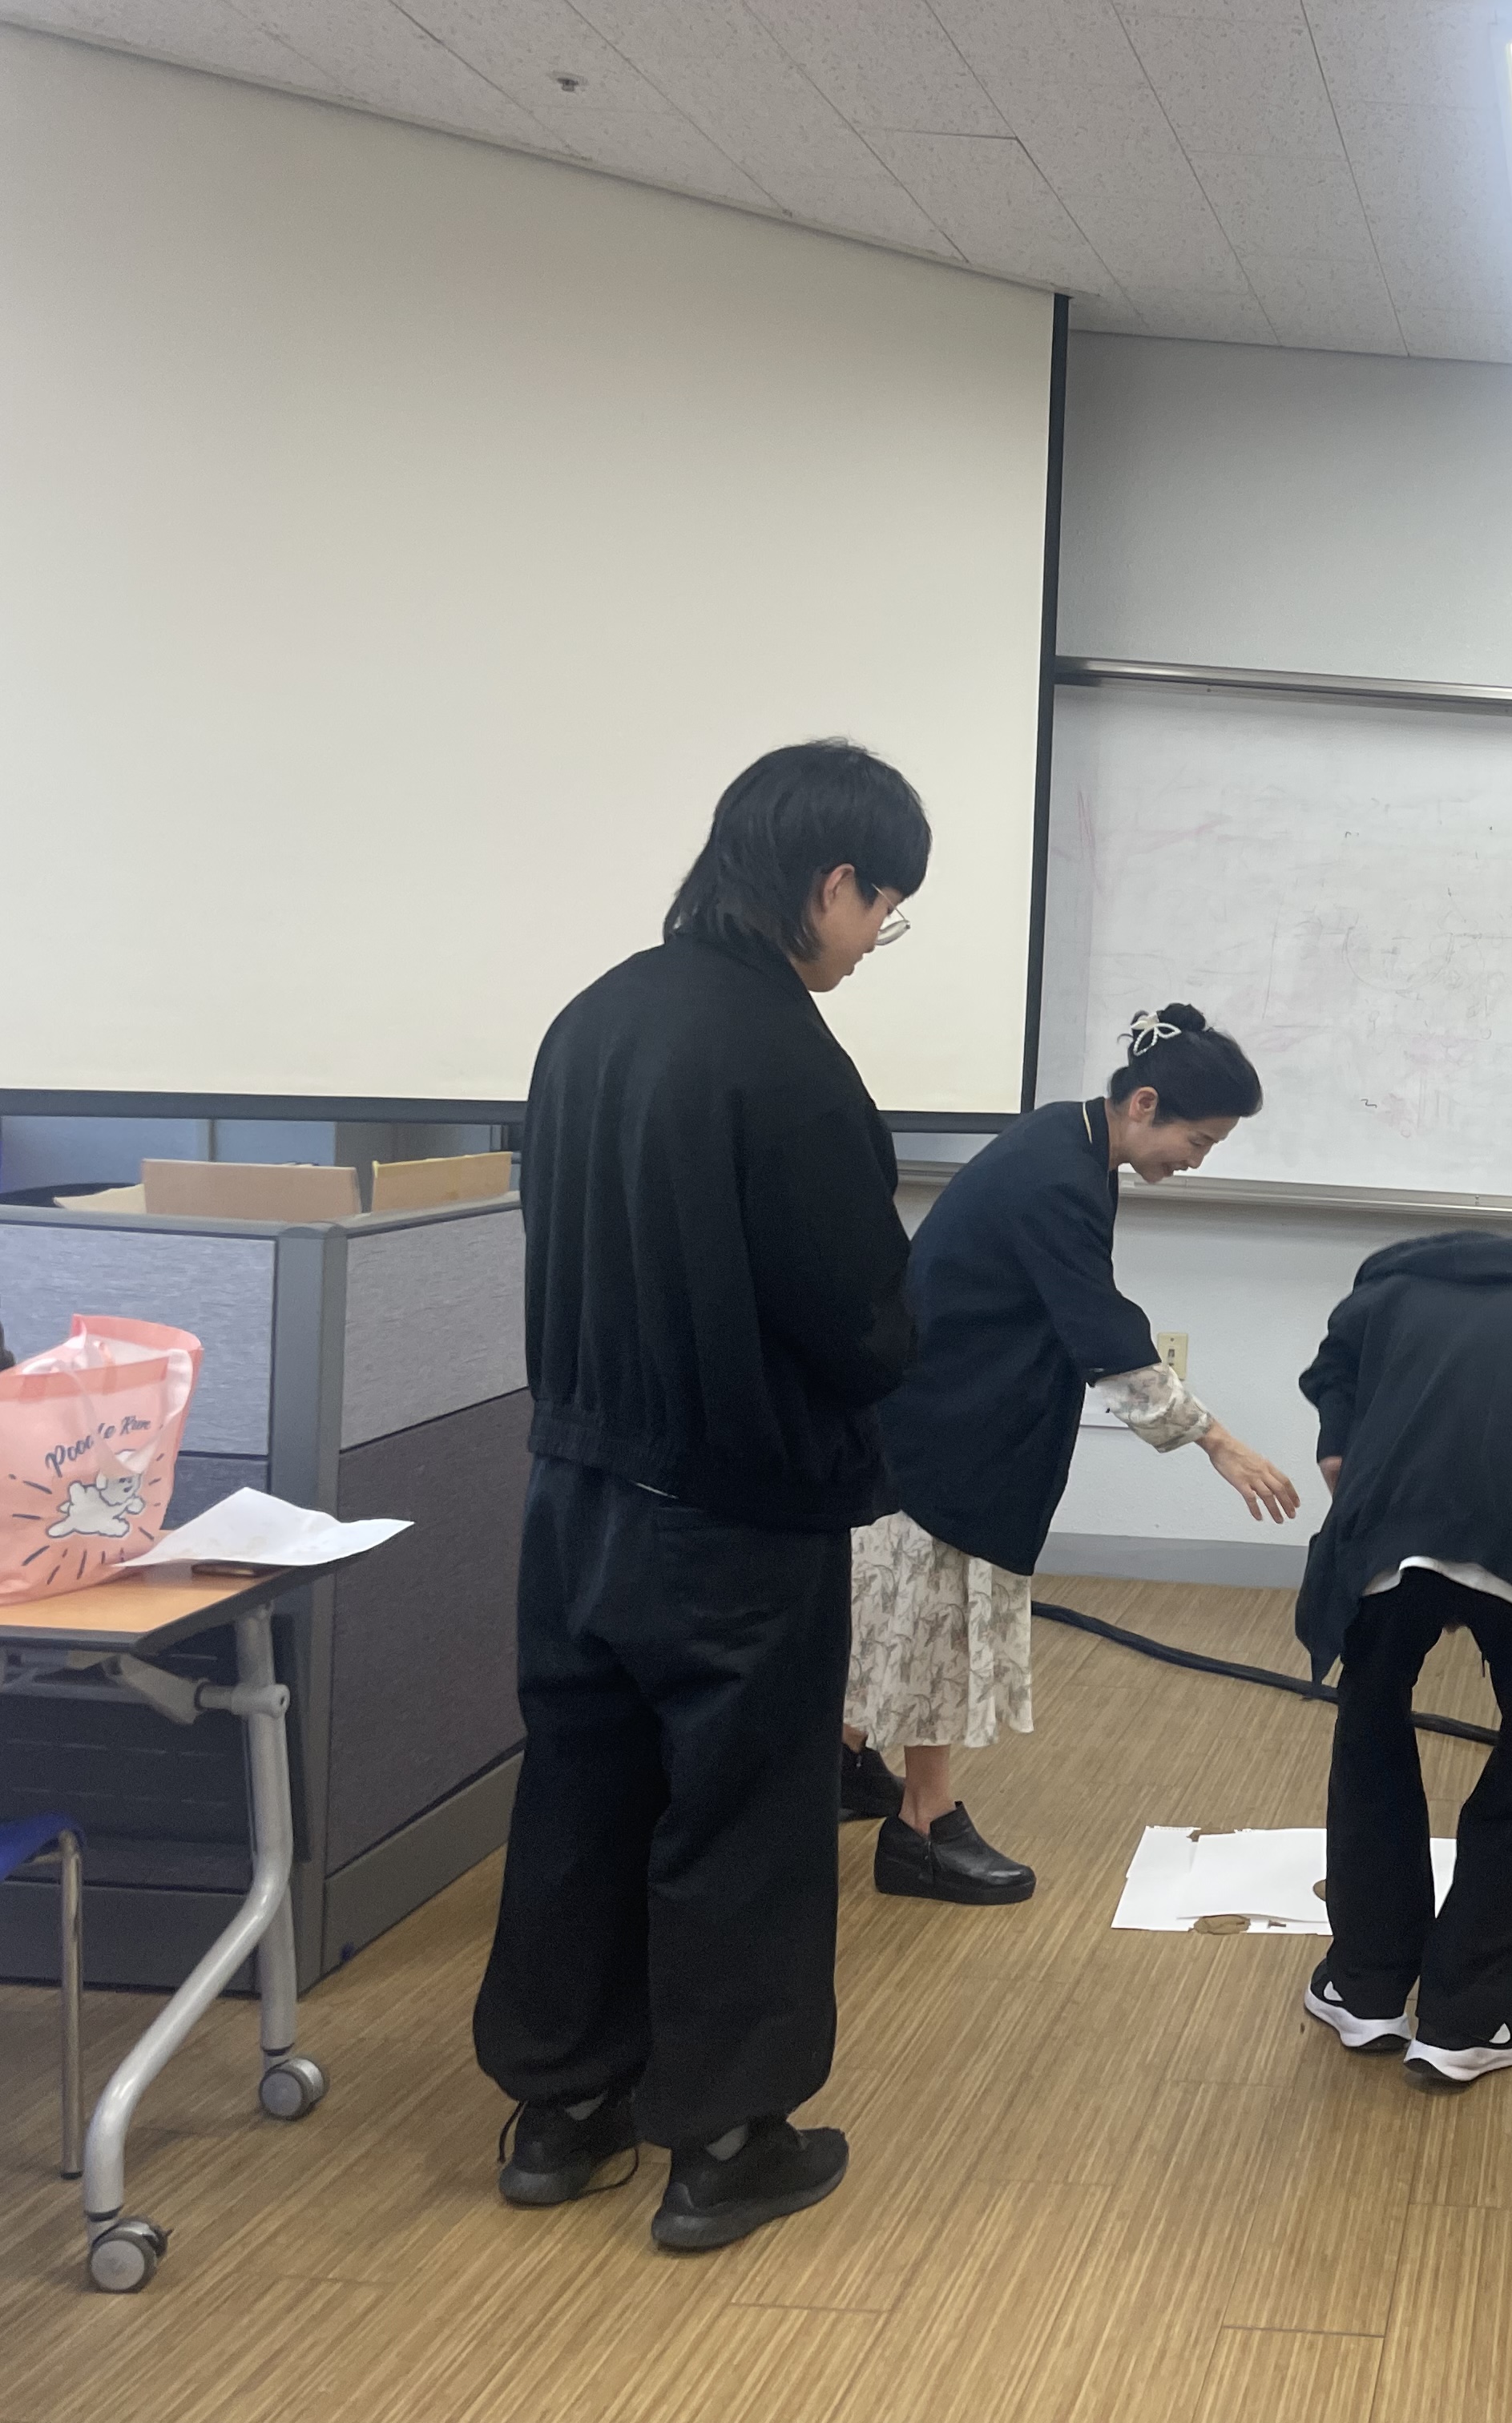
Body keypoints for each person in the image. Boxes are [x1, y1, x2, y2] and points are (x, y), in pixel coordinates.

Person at [475, 739, 923, 2252]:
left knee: (580, 1791)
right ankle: (727, 2140)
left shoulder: (589, 1021)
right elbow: (858, 1323)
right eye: (885, 909)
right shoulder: (786, 1056)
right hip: (732, 1513)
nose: (873, 940)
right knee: (742, 1813)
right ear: (833, 881)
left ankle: (561, 2111)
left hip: (572, 1491)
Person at [843, 1006, 1301, 1903]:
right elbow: (1101, 1327)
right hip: (945, 1421)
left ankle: (845, 1759)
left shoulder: (1072, 1139)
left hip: (949, 1403)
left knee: (895, 1607)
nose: (1197, 1160)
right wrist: (1214, 1439)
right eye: (1198, 1141)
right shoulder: (1058, 1173)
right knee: (939, 1617)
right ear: (1145, 1103)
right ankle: (922, 1831)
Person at [1292, 1232, 1512, 2090]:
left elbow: (1335, 1450)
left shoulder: (1378, 1302)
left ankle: (1365, 1989)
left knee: (1370, 1734)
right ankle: (1467, 2020)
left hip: (1394, 1537)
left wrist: (1394, 1529)